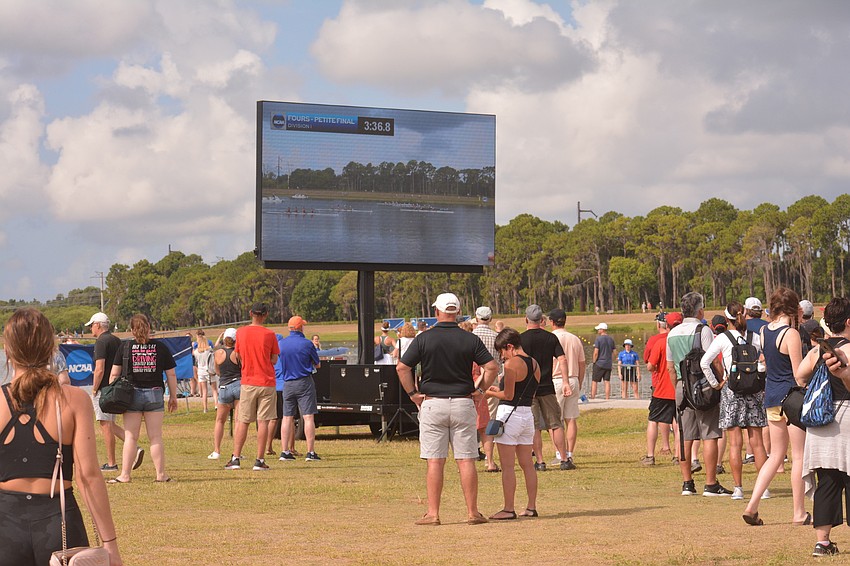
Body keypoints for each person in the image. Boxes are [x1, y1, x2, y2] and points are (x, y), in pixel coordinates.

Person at [0, 308, 123, 565]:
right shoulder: (75, 400)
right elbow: (88, 477)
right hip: (59, 522)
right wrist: (109, 544)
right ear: (51, 349)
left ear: (8, 351)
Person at [397, 292, 498, 526]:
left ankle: (433, 514)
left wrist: (413, 394)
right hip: (463, 401)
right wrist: (480, 391)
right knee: (466, 460)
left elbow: (403, 368)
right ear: (457, 312)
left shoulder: (423, 338)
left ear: (436, 312)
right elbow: (491, 367)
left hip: (433, 402)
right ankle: (472, 512)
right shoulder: (469, 338)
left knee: (435, 461)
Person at [743, 287, 809, 526]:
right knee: (798, 456)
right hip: (791, 399)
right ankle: (798, 512)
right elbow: (799, 374)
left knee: (776, 455)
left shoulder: (763, 330)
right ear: (792, 308)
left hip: (770, 397)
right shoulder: (790, 334)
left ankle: (752, 505)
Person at [700, 301, 768, 501]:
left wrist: (716, 383)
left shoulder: (723, 338)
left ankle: (738, 488)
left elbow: (705, 362)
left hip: (732, 391)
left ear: (727, 319)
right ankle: (763, 488)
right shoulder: (755, 337)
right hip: (754, 392)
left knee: (735, 444)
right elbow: (765, 361)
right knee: (757, 443)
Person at [666, 292, 732, 496]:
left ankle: (687, 483)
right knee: (710, 434)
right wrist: (720, 382)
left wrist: (677, 386)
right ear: (700, 310)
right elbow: (712, 361)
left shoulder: (672, 333)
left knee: (685, 435)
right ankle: (711, 483)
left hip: (680, 386)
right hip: (703, 387)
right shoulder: (703, 330)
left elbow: (670, 367)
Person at [799, 297, 850, 556]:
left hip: (821, 421)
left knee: (827, 481)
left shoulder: (819, 350)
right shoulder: (849, 349)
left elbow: (799, 374)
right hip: (846, 419)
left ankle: (823, 543)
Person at [107, 314, 178, 484]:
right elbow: (171, 374)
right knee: (155, 436)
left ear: (131, 330)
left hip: (131, 395)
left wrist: (112, 392)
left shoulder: (125, 347)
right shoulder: (160, 347)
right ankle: (161, 475)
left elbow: (114, 374)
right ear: (148, 327)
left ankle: (125, 475)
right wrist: (173, 396)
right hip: (154, 393)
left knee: (131, 437)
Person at [486, 328, 540, 520]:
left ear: (509, 347)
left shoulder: (511, 364)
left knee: (508, 466)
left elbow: (508, 395)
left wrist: (490, 392)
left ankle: (509, 508)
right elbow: (529, 394)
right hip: (527, 415)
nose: (502, 356)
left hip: (509, 414)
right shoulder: (534, 364)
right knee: (527, 465)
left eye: (501, 352)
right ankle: (531, 506)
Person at [85, 312, 142, 473]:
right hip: (117, 388)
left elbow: (99, 369)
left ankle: (111, 463)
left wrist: (95, 389)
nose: (91, 329)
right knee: (110, 423)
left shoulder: (101, 342)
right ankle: (135, 448)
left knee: (105, 424)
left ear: (97, 325)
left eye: (91, 325)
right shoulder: (117, 340)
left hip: (105, 388)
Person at [226, 303, 279, 471]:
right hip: (267, 382)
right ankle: (259, 460)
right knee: (262, 421)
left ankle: (235, 458)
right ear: (266, 315)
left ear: (251, 313)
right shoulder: (270, 334)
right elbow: (274, 359)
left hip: (248, 381)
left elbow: (237, 355)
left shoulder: (241, 333)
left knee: (243, 420)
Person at [520, 305, 568, 471]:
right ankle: (564, 458)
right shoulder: (551, 338)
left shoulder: (521, 339)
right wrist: (566, 381)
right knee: (555, 424)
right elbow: (562, 359)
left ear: (526, 319)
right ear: (541, 320)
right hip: (547, 386)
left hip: (528, 389)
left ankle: (540, 461)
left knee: (534, 427)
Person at [278, 316, 321, 462]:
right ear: (300, 327)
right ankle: (310, 452)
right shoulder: (307, 344)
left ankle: (284, 451)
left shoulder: (281, 344)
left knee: (287, 417)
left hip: (288, 383)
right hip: (304, 382)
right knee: (308, 417)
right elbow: (317, 364)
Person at [549, 308, 585, 469]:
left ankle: (560, 453)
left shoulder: (550, 338)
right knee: (571, 418)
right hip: (573, 378)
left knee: (555, 420)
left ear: (551, 322)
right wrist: (579, 381)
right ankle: (569, 453)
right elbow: (582, 363)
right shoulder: (575, 339)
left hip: (557, 379)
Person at [642, 312, 679, 465]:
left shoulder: (659, 342)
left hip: (662, 388)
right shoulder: (683, 341)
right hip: (680, 388)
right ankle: (678, 455)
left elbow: (650, 365)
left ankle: (650, 456)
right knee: (678, 423)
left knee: (653, 420)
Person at [472, 306, 501, 472]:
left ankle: (471, 455)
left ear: (476, 318)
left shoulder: (471, 337)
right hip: (493, 383)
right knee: (489, 424)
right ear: (490, 319)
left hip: (473, 382)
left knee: (470, 423)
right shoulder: (496, 337)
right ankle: (490, 460)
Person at [208, 328, 241, 460]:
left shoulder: (218, 353)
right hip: (238, 385)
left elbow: (217, 371)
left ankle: (217, 450)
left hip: (224, 386)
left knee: (220, 420)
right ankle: (236, 452)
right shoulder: (238, 353)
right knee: (238, 421)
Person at [194, 331, 218, 413]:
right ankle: (216, 405)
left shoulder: (196, 352)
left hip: (200, 372)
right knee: (214, 389)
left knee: (204, 391)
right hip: (209, 371)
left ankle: (205, 408)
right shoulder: (209, 350)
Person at [591, 322, 616, 399]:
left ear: (602, 330)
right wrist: (611, 360)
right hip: (608, 364)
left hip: (599, 363)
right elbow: (615, 352)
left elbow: (596, 352)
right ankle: (607, 398)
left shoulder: (598, 339)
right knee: (607, 381)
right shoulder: (611, 339)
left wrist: (594, 361)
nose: (598, 330)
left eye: (599, 329)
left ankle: (593, 397)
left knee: (594, 381)